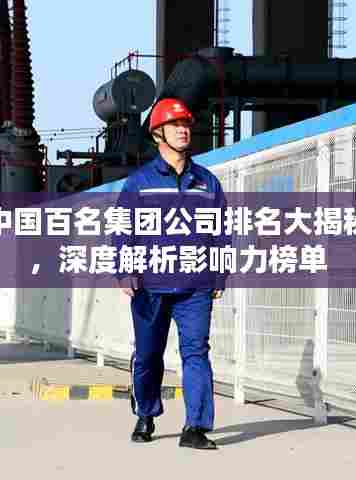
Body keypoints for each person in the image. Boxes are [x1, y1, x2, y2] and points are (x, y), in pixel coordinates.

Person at [114, 98, 228, 450]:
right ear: (157, 134)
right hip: (150, 286)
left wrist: (220, 274)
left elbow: (222, 231)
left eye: (186, 125)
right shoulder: (139, 183)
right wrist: (125, 271)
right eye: (175, 125)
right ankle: (146, 413)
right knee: (149, 355)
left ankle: (195, 427)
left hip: (195, 286)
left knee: (196, 352)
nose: (183, 130)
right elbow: (123, 229)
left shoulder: (206, 182)